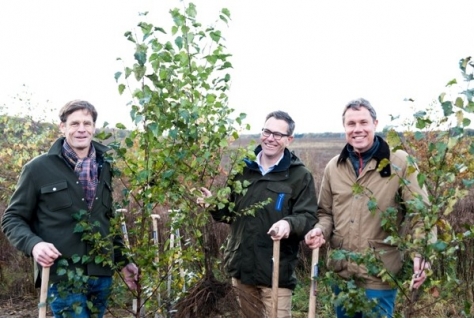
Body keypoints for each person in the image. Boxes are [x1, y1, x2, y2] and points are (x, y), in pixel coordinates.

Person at [1, 100, 138, 318]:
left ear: (94, 127)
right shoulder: (37, 169)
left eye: (87, 123)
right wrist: (34, 245)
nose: (81, 129)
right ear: (62, 127)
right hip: (62, 275)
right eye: (74, 123)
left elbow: (105, 218)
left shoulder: (106, 165)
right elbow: (12, 218)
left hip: (101, 274)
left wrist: (123, 261)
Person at [305, 98, 436, 318]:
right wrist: (320, 230)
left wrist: (421, 253)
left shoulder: (400, 162)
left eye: (363, 122)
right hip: (342, 273)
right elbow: (325, 214)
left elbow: (420, 213)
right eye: (351, 124)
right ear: (345, 128)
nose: (358, 129)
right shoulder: (334, 166)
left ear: (375, 123)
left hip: (380, 273)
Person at [199, 110, 318, 318]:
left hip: (276, 271)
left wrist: (289, 224)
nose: (270, 138)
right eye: (267, 131)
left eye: (278, 135)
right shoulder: (243, 168)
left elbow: (307, 217)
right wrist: (213, 205)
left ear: (289, 140)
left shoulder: (299, 175)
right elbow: (230, 213)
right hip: (242, 266)